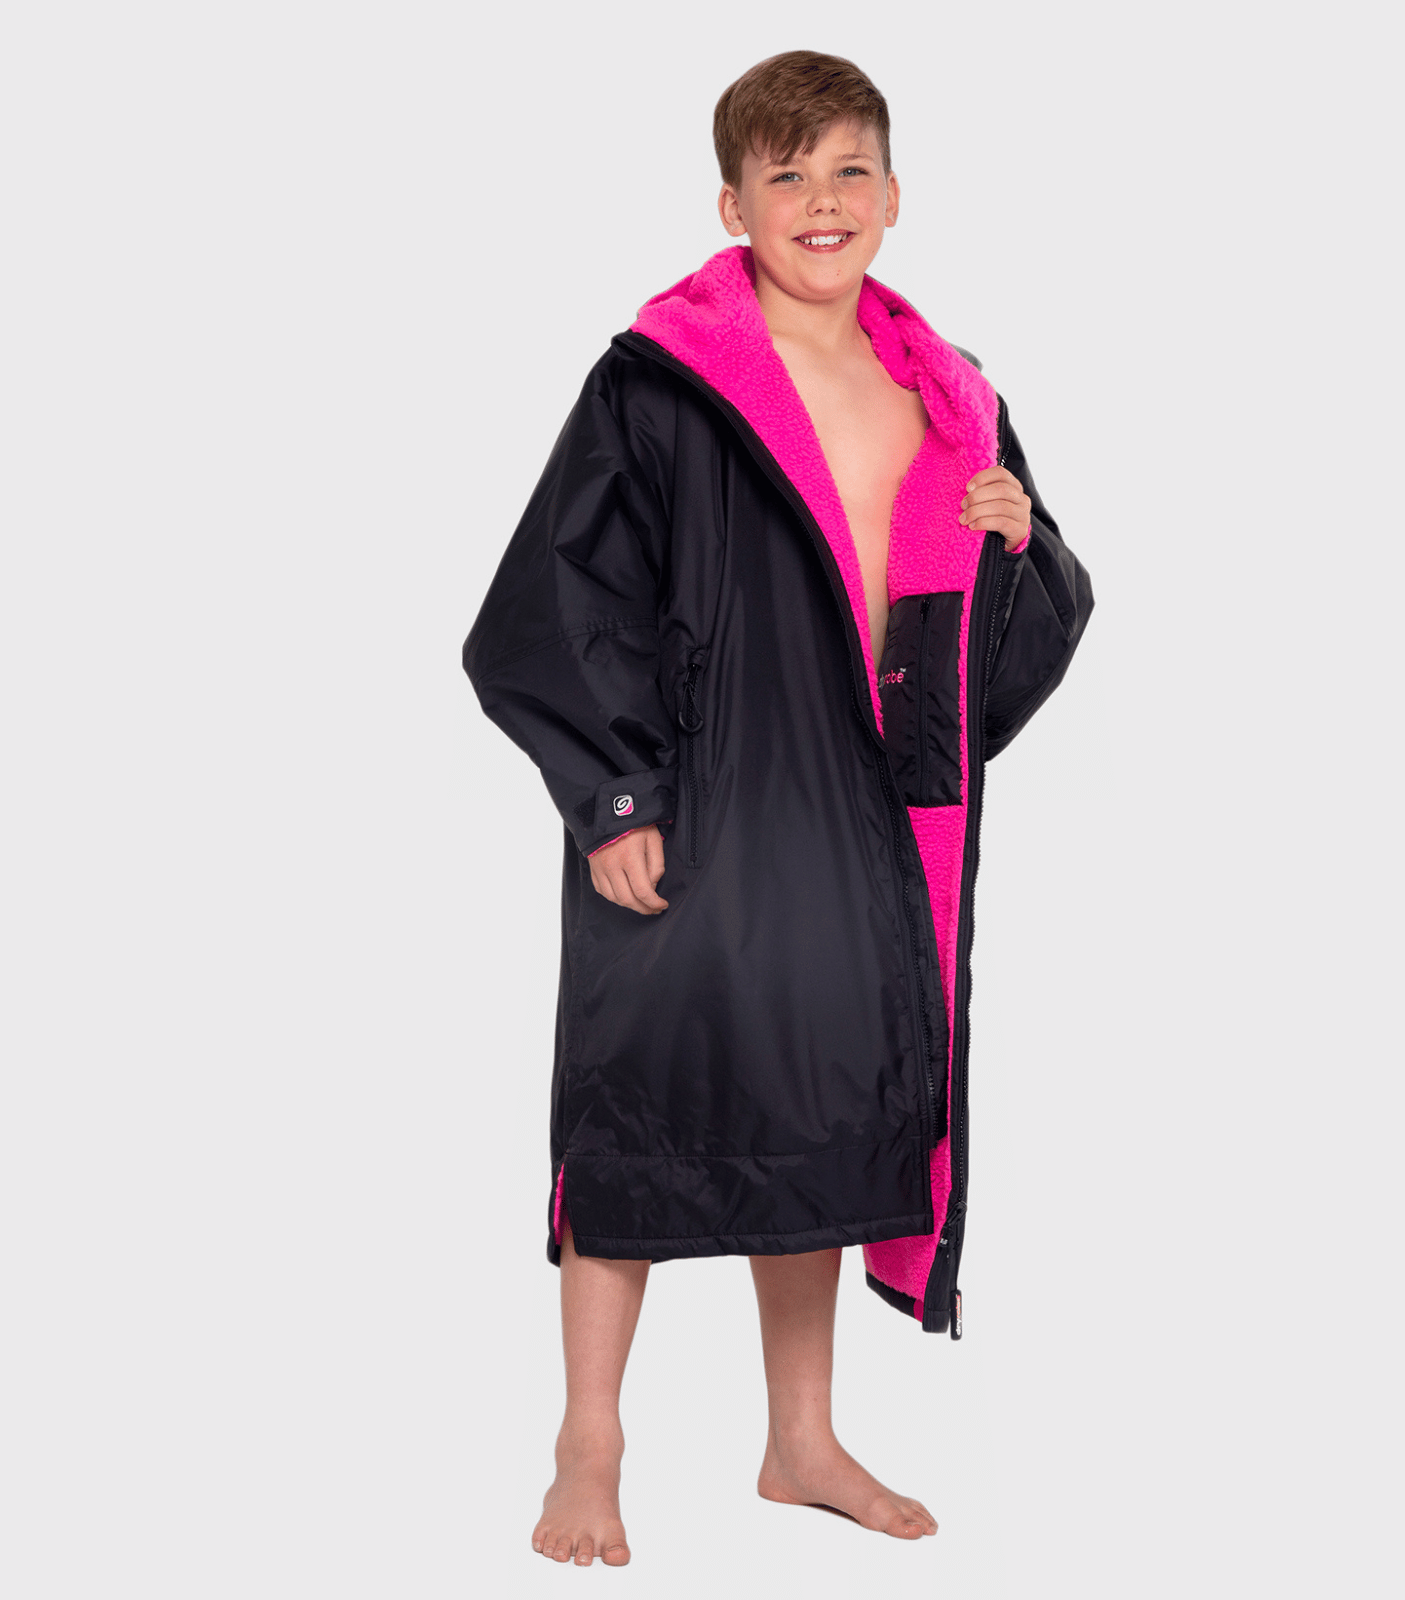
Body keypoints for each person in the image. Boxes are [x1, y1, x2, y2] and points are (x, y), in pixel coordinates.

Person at [462, 49, 1093, 1568]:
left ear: (896, 196)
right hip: (696, 791)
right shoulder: (659, 382)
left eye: (850, 169)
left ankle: (799, 1441)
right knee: (635, 1106)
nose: (824, 200)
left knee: (821, 1117)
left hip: (859, 813)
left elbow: (997, 668)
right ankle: (589, 1441)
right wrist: (616, 791)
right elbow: (556, 598)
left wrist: (1018, 546)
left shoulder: (950, 397)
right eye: (788, 174)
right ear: (733, 205)